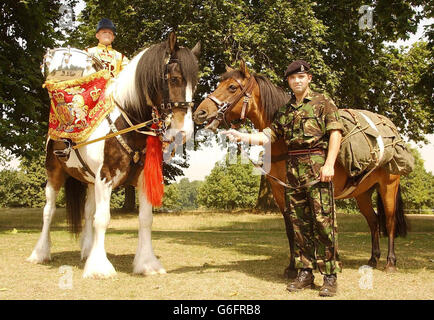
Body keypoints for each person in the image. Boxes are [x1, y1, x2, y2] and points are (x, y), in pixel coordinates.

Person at [222, 60, 343, 297]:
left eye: (301, 77)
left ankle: (330, 277)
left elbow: (335, 133)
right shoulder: (286, 110)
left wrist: (329, 164)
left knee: (323, 223)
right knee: (299, 224)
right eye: (292, 78)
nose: (297, 81)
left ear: (309, 79)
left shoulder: (323, 102)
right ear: (288, 82)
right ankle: (305, 273)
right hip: (293, 170)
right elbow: (268, 135)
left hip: (317, 166)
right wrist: (241, 136)